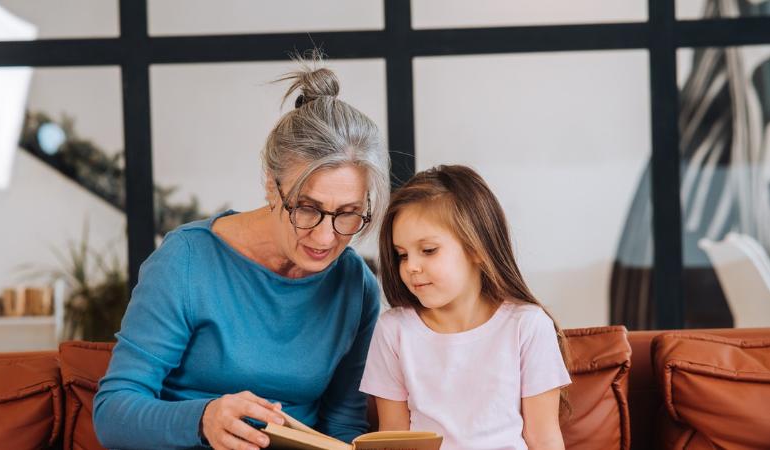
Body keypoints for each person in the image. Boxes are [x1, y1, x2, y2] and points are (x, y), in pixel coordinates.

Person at [93, 54, 390, 450]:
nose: (324, 237)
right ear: (271, 184)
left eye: (348, 214)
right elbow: (112, 413)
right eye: (307, 209)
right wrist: (202, 419)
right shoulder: (186, 260)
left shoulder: (355, 286)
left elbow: (342, 423)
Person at [360, 165, 572, 450]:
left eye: (428, 250)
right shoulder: (394, 330)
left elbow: (544, 439)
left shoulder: (528, 325)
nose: (411, 267)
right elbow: (394, 437)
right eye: (402, 255)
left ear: (476, 248)